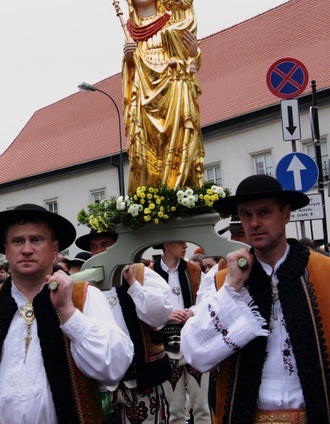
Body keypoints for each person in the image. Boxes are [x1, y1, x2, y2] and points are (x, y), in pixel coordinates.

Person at [181, 174, 330, 423]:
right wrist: (232, 287)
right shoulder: (223, 281)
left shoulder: (323, 272)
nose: (254, 223)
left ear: (285, 215)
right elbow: (196, 354)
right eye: (246, 215)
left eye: (264, 213)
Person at [0, 203, 134, 424]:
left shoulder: (82, 296)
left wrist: (69, 313)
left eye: (36, 240)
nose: (26, 249)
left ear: (55, 249)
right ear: (6, 250)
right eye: (17, 241)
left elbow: (113, 367)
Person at [121, 0, 205, 193]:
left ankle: (179, 190)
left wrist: (195, 54)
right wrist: (128, 59)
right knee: (145, 151)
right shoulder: (131, 29)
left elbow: (192, 56)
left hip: (175, 92)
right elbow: (129, 75)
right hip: (143, 98)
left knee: (179, 143)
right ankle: (151, 196)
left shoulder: (172, 19)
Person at [103, 262, 173, 423]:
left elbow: (159, 315)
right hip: (107, 380)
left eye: (105, 244)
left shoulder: (142, 274)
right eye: (94, 246)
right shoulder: (88, 282)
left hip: (140, 373)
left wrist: (133, 284)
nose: (100, 251)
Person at [150, 241, 212, 423]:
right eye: (180, 242)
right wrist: (165, 314)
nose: (185, 245)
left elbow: (207, 299)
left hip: (195, 341)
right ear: (167, 245)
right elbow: (143, 309)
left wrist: (192, 310)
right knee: (175, 410)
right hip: (165, 344)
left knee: (202, 407)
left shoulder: (193, 269)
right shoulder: (150, 272)